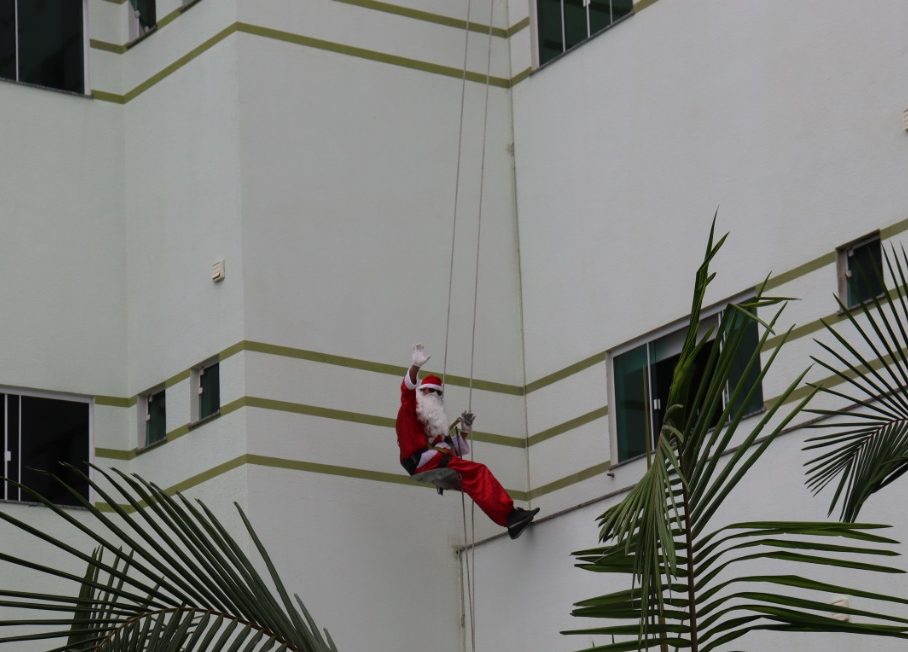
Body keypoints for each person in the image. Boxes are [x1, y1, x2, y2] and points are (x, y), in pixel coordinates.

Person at [396, 344, 539, 540]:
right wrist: (415, 366)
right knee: (478, 472)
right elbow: (407, 391)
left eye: (438, 393)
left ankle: (509, 516)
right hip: (419, 459)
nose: (435, 396)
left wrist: (465, 431)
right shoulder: (411, 409)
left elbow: (447, 447)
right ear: (421, 392)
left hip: (430, 459)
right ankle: (509, 516)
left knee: (475, 477)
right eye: (430, 391)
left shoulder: (431, 421)